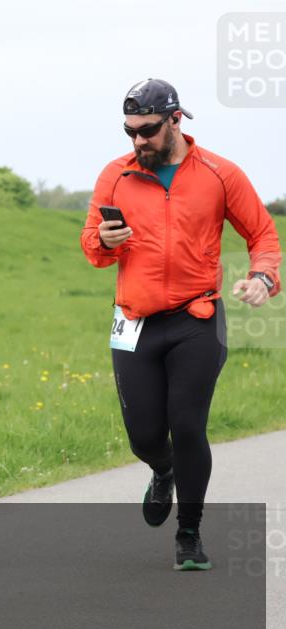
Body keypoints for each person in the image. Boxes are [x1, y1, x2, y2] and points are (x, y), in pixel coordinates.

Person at [81, 78, 281, 571]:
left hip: (197, 318)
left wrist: (263, 277)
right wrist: (104, 240)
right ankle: (162, 468)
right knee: (145, 436)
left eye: (147, 130)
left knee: (188, 425)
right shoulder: (116, 175)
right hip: (135, 322)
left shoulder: (219, 173)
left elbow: (262, 234)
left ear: (175, 121)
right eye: (130, 131)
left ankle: (189, 533)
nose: (138, 140)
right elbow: (92, 248)